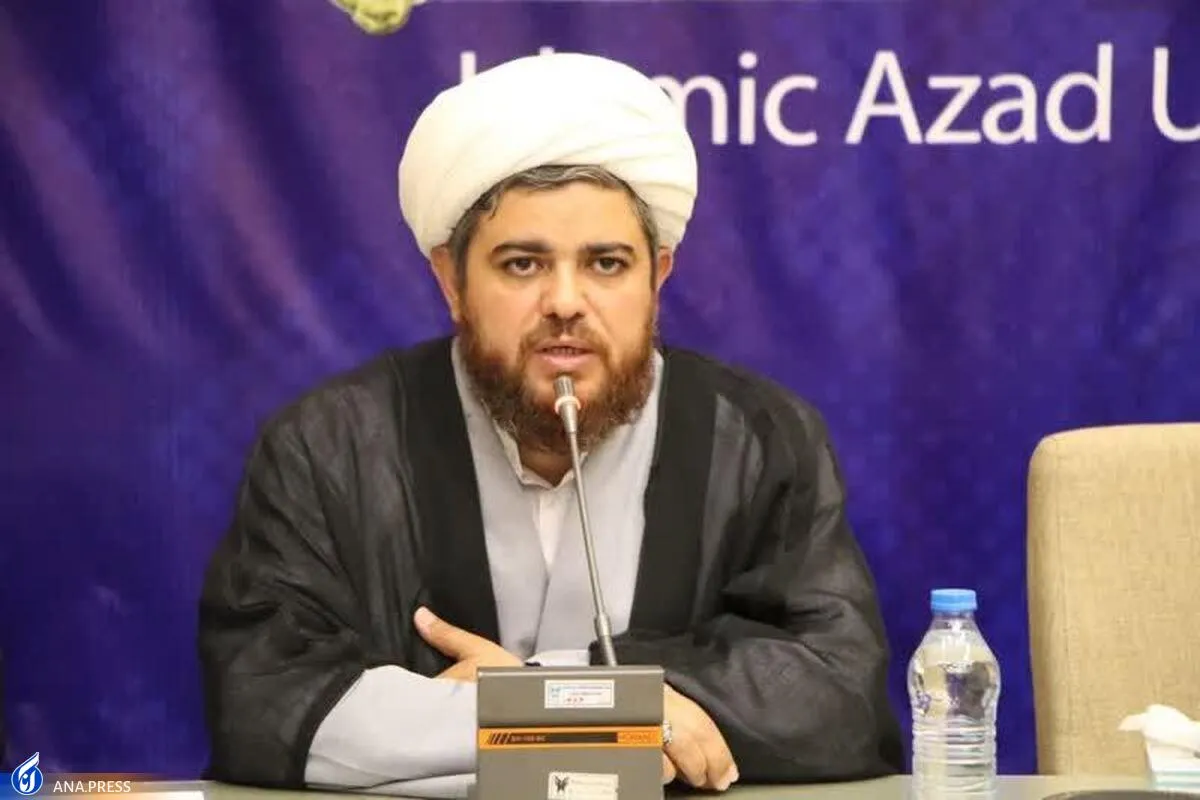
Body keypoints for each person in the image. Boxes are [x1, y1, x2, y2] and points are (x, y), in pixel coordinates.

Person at [198, 52, 904, 798]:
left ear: (658, 277)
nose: (565, 301)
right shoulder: (328, 447)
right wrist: (592, 714)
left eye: (606, 264)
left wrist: (549, 689)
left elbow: (835, 692)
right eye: (523, 264)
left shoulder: (759, 437)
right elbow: (260, 703)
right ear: (451, 280)